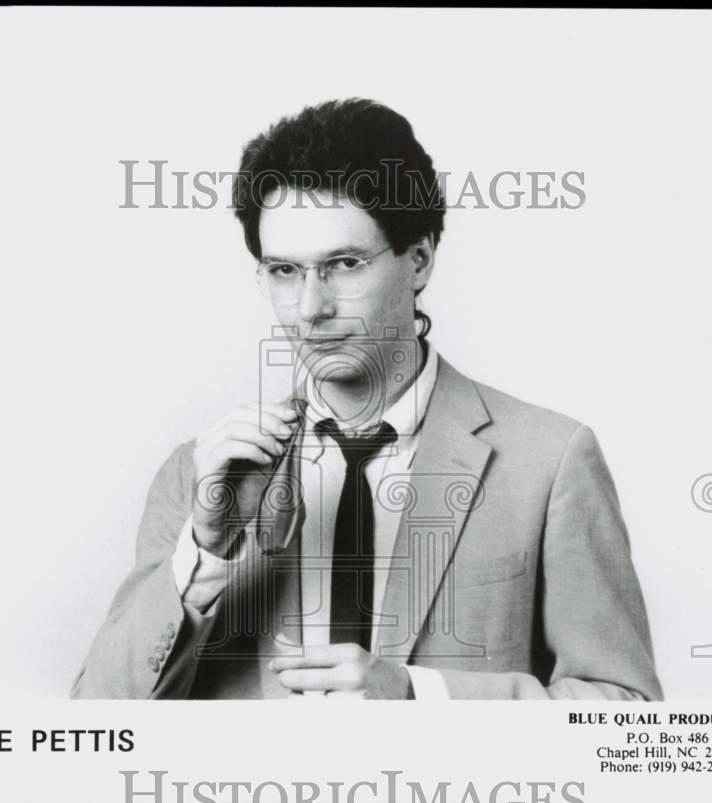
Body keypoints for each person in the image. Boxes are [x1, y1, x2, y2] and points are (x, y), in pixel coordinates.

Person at [71, 98, 663, 700]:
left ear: (421, 259)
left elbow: (628, 718)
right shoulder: (198, 475)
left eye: (344, 264)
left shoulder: (550, 461)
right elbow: (97, 719)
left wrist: (418, 697)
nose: (310, 309)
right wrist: (202, 554)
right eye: (283, 271)